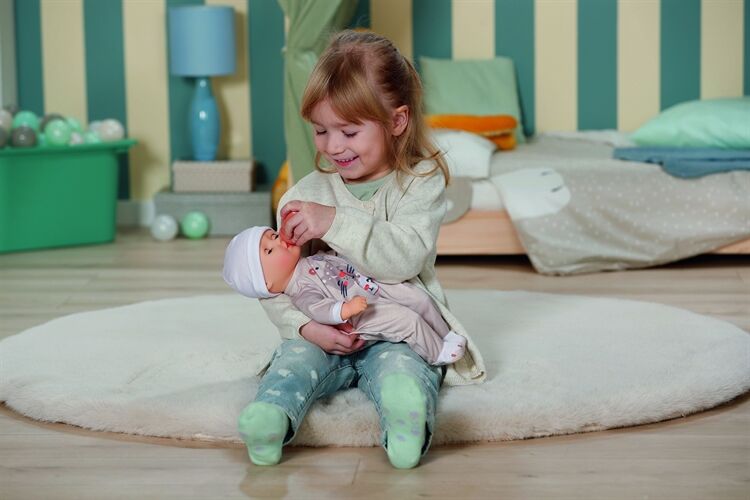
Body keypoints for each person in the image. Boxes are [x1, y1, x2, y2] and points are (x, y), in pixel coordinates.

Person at [231, 29, 486, 469]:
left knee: (405, 371)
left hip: (398, 328)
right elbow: (275, 282)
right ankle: (270, 417)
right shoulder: (305, 194)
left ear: (397, 121)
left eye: (349, 131)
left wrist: (335, 221)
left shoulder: (419, 184)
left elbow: (404, 259)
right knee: (292, 364)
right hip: (326, 329)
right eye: (321, 130)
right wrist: (306, 329)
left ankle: (406, 423)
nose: (333, 146)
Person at [223, 225, 468, 365]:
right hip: (359, 316)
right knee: (406, 320)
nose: (278, 242)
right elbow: (316, 309)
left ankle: (446, 334)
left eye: (274, 236)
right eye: (269, 250)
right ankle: (436, 353)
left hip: (368, 286)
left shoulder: (310, 259)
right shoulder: (299, 290)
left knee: (417, 297)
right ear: (267, 283)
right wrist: (344, 310)